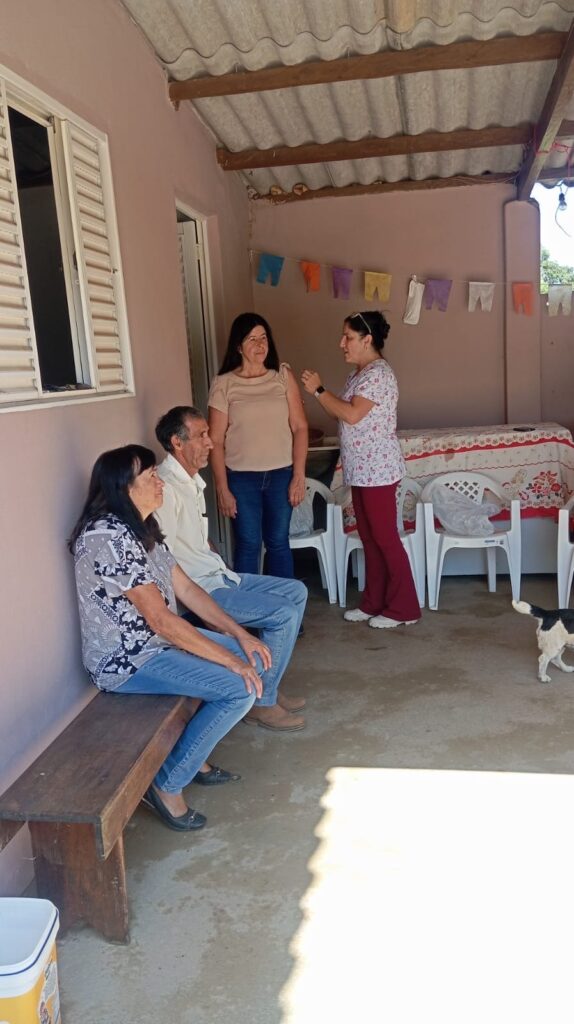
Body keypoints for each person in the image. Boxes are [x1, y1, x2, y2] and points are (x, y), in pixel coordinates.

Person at [69, 444, 274, 832]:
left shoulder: (141, 528)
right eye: (150, 476)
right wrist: (230, 660)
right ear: (123, 487)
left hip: (157, 645)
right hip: (127, 660)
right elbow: (161, 620)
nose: (159, 481)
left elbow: (188, 590)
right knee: (238, 687)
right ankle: (168, 783)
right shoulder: (107, 536)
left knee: (250, 658)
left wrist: (240, 636)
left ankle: (194, 757)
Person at [154, 405, 308, 732]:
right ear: (177, 443)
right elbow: (161, 556)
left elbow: (197, 541)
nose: (210, 443)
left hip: (219, 576)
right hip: (202, 589)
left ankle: (267, 686)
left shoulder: (190, 481)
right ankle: (262, 702)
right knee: (283, 614)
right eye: (201, 435)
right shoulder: (166, 487)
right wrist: (207, 613)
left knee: (296, 591)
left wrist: (219, 562)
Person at [301, 311, 421, 629]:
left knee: (384, 538)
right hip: (362, 470)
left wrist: (318, 391)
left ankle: (404, 608)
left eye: (348, 337)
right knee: (370, 538)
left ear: (367, 340)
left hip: (378, 470)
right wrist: (324, 397)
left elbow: (352, 415)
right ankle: (374, 603)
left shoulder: (378, 374)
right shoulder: (358, 374)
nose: (342, 343)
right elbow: (343, 413)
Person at [208, 312, 308, 578]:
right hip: (241, 479)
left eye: (264, 338)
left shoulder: (282, 376)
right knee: (249, 543)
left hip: (281, 474)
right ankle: (248, 604)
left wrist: (299, 475)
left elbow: (300, 427)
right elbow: (215, 440)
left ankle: (284, 604)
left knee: (278, 542)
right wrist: (222, 488)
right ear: (238, 346)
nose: (260, 344)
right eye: (252, 339)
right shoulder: (223, 384)